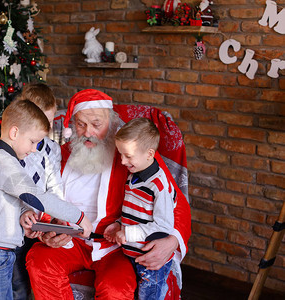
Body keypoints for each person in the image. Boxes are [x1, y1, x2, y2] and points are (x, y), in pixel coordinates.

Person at [26, 89, 191, 299]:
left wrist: (172, 240)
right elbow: (45, 197)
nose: (88, 132)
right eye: (81, 124)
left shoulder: (131, 155)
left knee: (115, 289)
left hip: (115, 246)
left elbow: (177, 204)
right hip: (71, 240)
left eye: (97, 124)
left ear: (111, 123)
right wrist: (48, 229)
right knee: (39, 261)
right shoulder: (61, 153)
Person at [0, 99, 92, 300]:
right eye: (33, 142)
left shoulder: (6, 160)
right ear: (14, 133)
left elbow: (7, 200)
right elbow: (35, 195)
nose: (35, 149)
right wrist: (78, 216)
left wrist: (25, 214)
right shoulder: (3, 163)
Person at [104, 118, 176, 300]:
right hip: (133, 254)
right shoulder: (133, 176)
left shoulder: (158, 186)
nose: (122, 161)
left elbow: (164, 226)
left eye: (128, 156)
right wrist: (119, 224)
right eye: (121, 154)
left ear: (149, 154)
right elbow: (135, 211)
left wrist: (128, 233)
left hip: (151, 261)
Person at [12, 83, 63, 300]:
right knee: (17, 282)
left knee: (37, 279)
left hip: (41, 224)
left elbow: (55, 187)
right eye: (42, 122)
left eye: (50, 122)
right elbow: (11, 190)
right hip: (16, 225)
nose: (46, 128)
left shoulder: (53, 149)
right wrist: (23, 214)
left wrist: (59, 215)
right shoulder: (14, 149)